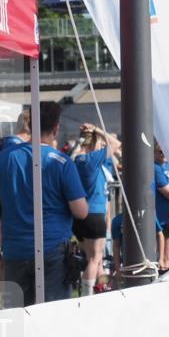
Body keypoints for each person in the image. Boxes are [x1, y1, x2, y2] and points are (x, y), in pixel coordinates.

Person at [0, 101, 88, 305]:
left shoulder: (4, 158)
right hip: (53, 250)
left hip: (15, 250)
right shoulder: (61, 161)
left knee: (18, 316)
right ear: (56, 129)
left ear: (29, 125)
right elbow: (81, 211)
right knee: (53, 316)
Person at [73, 123, 121, 296]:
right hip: (94, 215)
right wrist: (98, 130)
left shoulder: (78, 160)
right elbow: (116, 144)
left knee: (96, 259)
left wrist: (89, 136)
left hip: (83, 216)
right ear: (93, 144)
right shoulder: (90, 160)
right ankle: (88, 296)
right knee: (95, 259)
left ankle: (100, 291)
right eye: (99, 144)